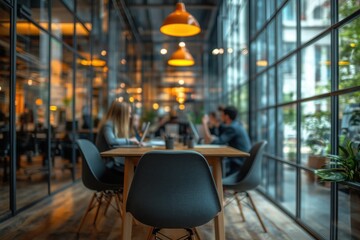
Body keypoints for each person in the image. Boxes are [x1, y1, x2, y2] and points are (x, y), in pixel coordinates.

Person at [202, 105, 251, 177]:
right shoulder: (236, 125)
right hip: (242, 161)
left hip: (239, 163)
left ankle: (218, 186)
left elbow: (216, 142)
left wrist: (205, 124)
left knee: (213, 171)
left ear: (227, 117)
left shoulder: (232, 128)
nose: (221, 117)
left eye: (222, 115)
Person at [95, 100, 139, 171]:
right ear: (121, 114)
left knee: (138, 168)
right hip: (107, 166)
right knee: (138, 170)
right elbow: (112, 141)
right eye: (129, 113)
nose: (130, 116)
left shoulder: (115, 125)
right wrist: (130, 140)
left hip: (114, 162)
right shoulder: (108, 124)